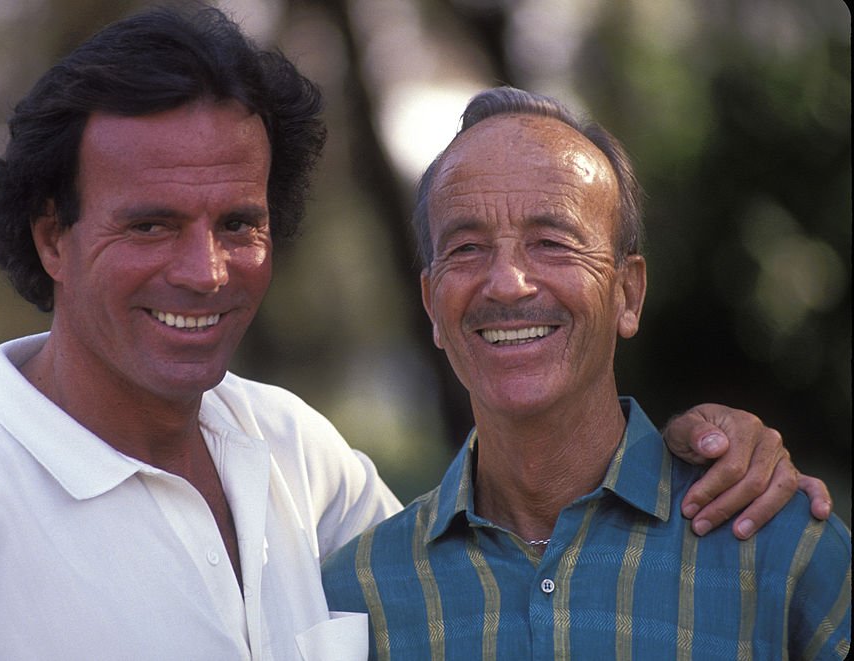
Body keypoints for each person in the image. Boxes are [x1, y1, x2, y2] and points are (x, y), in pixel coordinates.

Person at [0, 8, 834, 661]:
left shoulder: (296, 457)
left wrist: (703, 440)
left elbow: (489, 551)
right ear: (54, 235)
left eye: (239, 223)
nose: (204, 270)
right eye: (150, 224)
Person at [321, 86, 851, 660]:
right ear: (431, 306)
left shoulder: (780, 550)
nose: (507, 283)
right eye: (467, 248)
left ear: (628, 293)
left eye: (551, 243)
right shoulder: (355, 598)